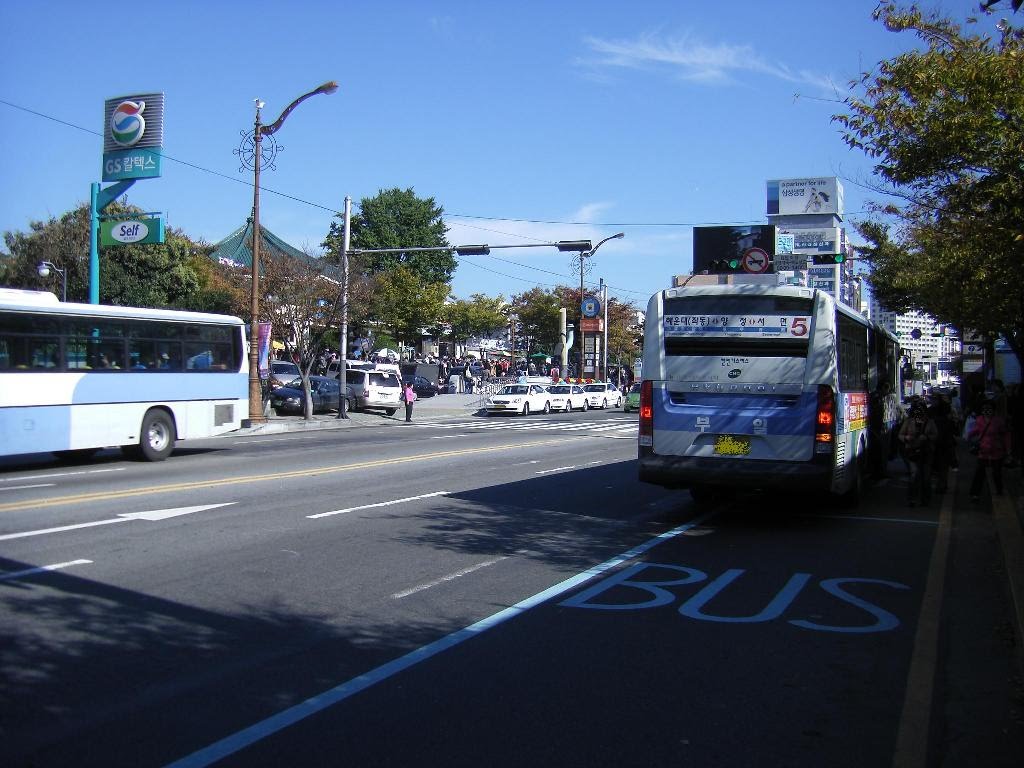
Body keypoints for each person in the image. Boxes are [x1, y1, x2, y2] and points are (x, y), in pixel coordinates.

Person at [967, 399, 1011, 501]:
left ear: (993, 410)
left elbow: (1005, 435)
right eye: (985, 409)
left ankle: (999, 489)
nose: (987, 411)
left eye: (989, 409)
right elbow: (975, 431)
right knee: (980, 472)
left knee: (996, 473)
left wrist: (1008, 448)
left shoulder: (998, 421)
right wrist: (969, 436)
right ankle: (975, 493)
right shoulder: (980, 420)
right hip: (984, 450)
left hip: (996, 450)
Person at [899, 401, 938, 506]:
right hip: (912, 452)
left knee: (926, 477)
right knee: (914, 475)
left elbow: (935, 435)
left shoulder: (930, 422)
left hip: (926, 452)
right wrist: (907, 438)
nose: (919, 413)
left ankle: (926, 499)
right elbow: (901, 435)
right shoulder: (909, 421)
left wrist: (927, 437)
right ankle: (912, 499)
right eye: (916, 410)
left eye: (921, 410)